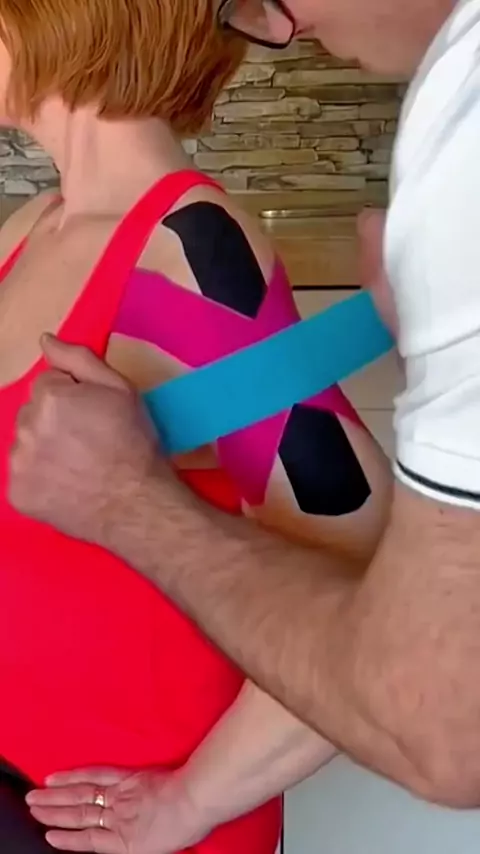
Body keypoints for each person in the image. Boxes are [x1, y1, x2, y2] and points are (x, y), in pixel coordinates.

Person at [10, 0, 480, 825]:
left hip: (112, 826)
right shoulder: (32, 225)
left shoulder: (191, 254)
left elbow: (372, 590)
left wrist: (189, 804)